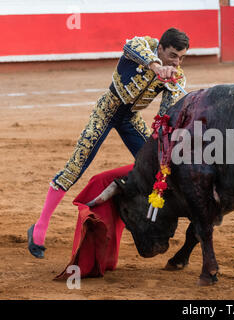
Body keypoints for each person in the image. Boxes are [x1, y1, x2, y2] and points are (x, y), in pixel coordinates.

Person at [27, 28, 189, 258]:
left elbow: (164, 116)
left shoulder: (176, 75)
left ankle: (139, 212)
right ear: (160, 48)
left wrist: (171, 90)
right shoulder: (142, 44)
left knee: (160, 166)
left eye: (181, 58)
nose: (176, 62)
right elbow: (130, 47)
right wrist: (156, 67)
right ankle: (39, 228)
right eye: (173, 55)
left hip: (131, 120)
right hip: (106, 111)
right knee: (74, 167)